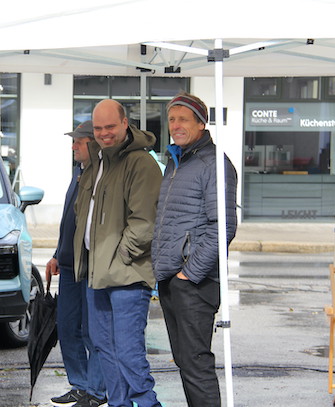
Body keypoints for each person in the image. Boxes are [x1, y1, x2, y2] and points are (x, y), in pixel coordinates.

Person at [73, 99, 163, 407]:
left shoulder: (141, 163)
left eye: (110, 126)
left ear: (126, 123)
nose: (104, 133)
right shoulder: (98, 161)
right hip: (97, 273)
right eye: (98, 128)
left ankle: (148, 404)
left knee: (128, 352)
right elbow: (84, 213)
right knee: (104, 349)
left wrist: (121, 256)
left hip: (127, 274)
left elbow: (145, 222)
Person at [151, 92, 238, 407]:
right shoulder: (176, 162)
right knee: (185, 361)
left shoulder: (213, 164)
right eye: (172, 119)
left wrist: (189, 274)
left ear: (201, 123)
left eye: (183, 119)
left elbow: (223, 227)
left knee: (196, 363)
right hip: (172, 278)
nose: (175, 125)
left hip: (195, 282)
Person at [46, 121, 107, 407]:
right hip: (69, 265)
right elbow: (69, 221)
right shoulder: (78, 172)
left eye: (78, 142)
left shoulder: (101, 174)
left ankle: (96, 390)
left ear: (93, 144)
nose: (73, 146)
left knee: (92, 330)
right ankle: (79, 384)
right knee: (68, 327)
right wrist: (57, 254)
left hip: (91, 265)